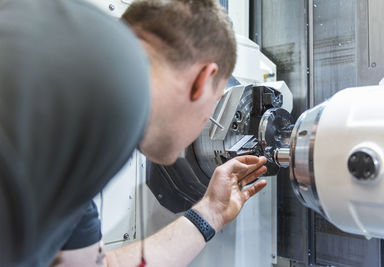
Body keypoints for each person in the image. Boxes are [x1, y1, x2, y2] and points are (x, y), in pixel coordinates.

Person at [0, 0, 267, 266]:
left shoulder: (67, 47)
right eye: (217, 100)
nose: (209, 119)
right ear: (203, 79)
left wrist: (211, 212)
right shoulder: (122, 93)